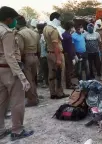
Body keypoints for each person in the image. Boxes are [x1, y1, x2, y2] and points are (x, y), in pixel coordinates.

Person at [0, 6, 34, 140]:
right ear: (8, 19)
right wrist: (22, 77)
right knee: (17, 101)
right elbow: (10, 56)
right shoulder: (7, 32)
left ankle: (1, 129)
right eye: (13, 19)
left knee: (1, 101)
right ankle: (17, 130)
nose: (14, 21)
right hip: (10, 70)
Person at [16, 16, 40, 107]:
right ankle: (35, 96)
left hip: (26, 57)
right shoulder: (34, 32)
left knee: (28, 79)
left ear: (18, 24)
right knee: (34, 79)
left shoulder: (20, 33)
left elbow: (20, 49)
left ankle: (32, 100)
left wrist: (19, 60)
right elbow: (39, 48)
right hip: (35, 56)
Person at [43, 12, 69, 99]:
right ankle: (60, 93)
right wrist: (58, 58)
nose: (60, 21)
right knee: (60, 74)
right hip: (56, 54)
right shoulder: (54, 30)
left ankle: (52, 93)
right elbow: (55, 45)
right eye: (59, 19)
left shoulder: (46, 28)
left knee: (51, 74)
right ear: (55, 19)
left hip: (49, 54)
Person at [62, 21, 78, 88]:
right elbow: (69, 47)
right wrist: (73, 56)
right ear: (70, 27)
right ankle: (68, 85)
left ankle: (70, 83)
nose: (73, 28)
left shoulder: (65, 34)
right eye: (72, 27)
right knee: (69, 70)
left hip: (66, 53)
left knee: (69, 69)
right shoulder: (68, 36)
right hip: (68, 54)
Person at [37, 23, 49, 88]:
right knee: (44, 69)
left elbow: (46, 47)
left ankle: (46, 83)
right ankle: (45, 81)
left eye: (39, 29)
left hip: (45, 56)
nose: (38, 30)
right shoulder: (41, 36)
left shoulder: (44, 36)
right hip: (42, 55)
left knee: (46, 70)